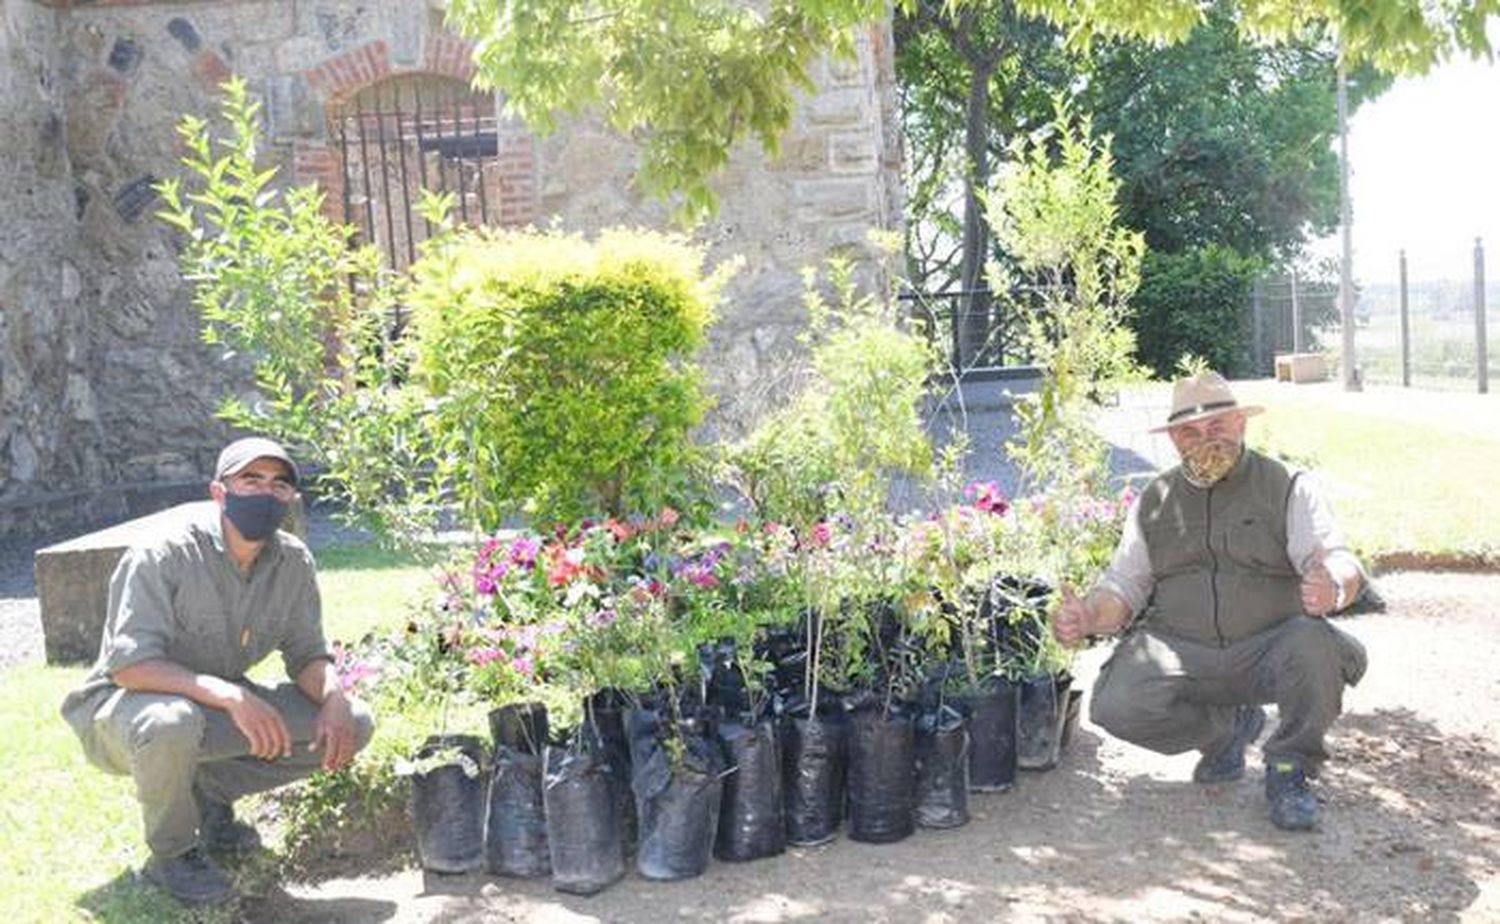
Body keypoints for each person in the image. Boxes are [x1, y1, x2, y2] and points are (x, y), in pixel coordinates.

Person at [61, 437, 374, 905]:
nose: (266, 493)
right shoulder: (163, 553)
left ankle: (207, 798)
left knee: (355, 722)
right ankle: (173, 856)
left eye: (279, 484)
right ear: (219, 492)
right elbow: (129, 665)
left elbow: (307, 653)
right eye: (251, 480)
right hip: (124, 712)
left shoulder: (292, 561)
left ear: (291, 497)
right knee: (172, 722)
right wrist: (231, 696)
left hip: (212, 708)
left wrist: (334, 697)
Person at [1054, 372, 1367, 831]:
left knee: (1313, 643)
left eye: (1217, 426)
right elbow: (1123, 586)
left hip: (1270, 647)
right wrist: (1088, 616)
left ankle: (1289, 770)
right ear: (1175, 439)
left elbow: (1337, 558)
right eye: (1190, 432)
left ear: (1240, 424)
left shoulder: (1287, 485)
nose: (1206, 441)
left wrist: (1334, 587)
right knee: (1114, 704)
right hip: (1184, 648)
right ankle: (1224, 735)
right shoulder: (1154, 500)